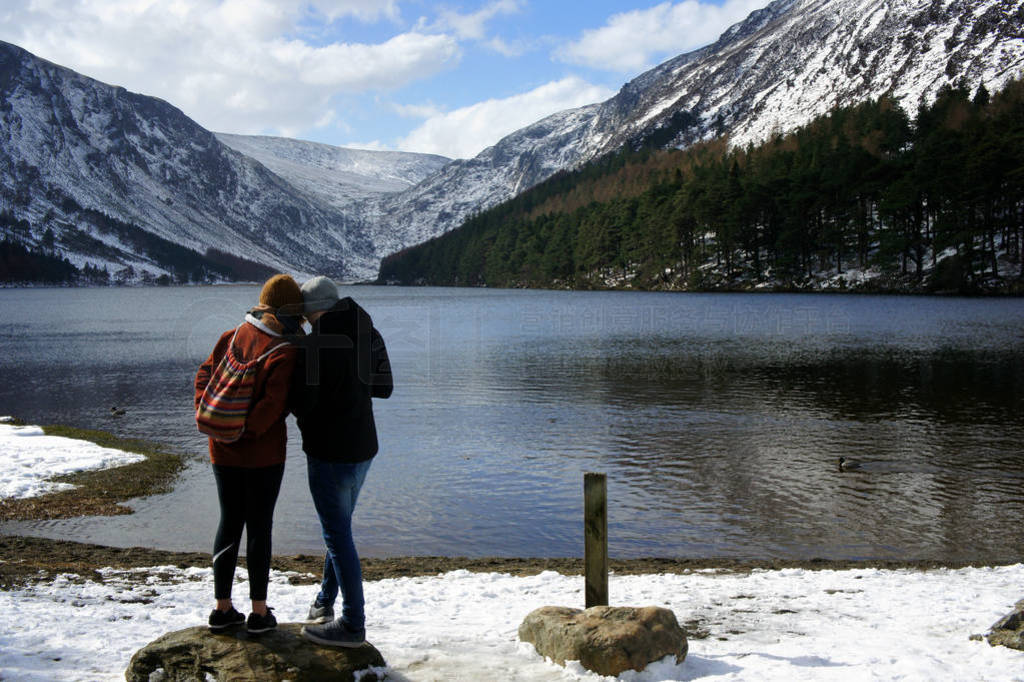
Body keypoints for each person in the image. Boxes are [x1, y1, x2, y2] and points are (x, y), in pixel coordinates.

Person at [194, 274, 304, 634]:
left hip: (221, 449)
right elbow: (274, 405)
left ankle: (222, 609)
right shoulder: (284, 349)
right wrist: (248, 430)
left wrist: (214, 419)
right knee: (259, 526)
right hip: (264, 455)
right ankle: (259, 613)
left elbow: (204, 376)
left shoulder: (231, 336)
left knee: (228, 522)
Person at [291, 276, 393, 647]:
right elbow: (384, 387)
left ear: (312, 311)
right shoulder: (368, 328)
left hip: (329, 453)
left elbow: (301, 404)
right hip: (364, 447)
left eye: (304, 314)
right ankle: (323, 604)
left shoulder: (313, 344)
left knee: (337, 537)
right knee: (340, 532)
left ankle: (353, 624)